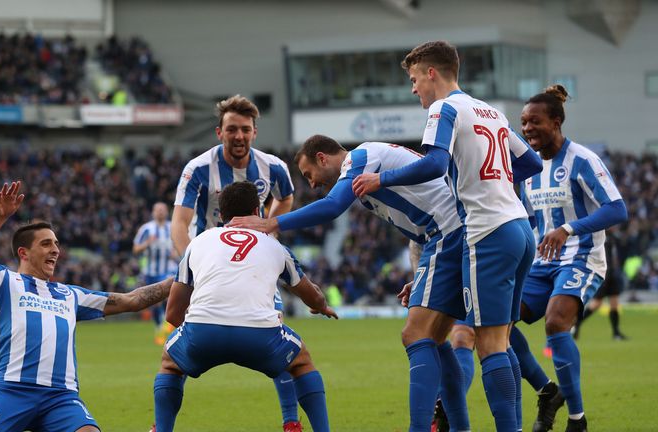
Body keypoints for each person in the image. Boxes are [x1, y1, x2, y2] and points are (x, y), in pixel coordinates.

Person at [351, 41, 543, 431]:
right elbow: (532, 162)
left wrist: (381, 178)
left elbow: (435, 163)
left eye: (414, 79)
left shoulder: (445, 108)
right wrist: (499, 186)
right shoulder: (492, 111)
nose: (414, 88)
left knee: (489, 345)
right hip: (520, 229)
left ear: (431, 73)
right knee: (501, 341)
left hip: (487, 232)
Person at [229, 135, 472, 432]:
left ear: (322, 158)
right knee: (438, 339)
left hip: (449, 234)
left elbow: (332, 207)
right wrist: (420, 276)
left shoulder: (360, 157)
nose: (312, 184)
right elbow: (420, 221)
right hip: (446, 236)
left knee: (416, 334)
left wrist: (272, 222)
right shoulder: (366, 176)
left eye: (309, 175)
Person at [0, 181, 173, 432]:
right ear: (23, 252)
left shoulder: (70, 294)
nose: (56, 250)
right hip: (11, 390)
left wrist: (184, 276)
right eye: (46, 244)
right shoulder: (5, 281)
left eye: (57, 244)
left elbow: (133, 300)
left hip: (60, 397)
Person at [153, 182, 337, 432]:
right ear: (257, 210)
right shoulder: (275, 246)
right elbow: (311, 296)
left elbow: (173, 313)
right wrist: (322, 306)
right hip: (260, 336)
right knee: (301, 361)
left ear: (221, 214)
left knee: (169, 363)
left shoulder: (198, 242)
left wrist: (194, 337)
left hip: (203, 333)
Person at [171, 94, 300, 431]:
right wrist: (193, 267)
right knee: (178, 339)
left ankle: (291, 422)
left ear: (254, 132)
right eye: (232, 130)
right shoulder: (198, 169)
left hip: (252, 265)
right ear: (219, 132)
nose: (238, 136)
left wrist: (269, 226)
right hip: (209, 266)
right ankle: (165, 420)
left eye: (245, 129)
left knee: (276, 328)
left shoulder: (274, 167)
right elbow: (179, 223)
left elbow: (286, 197)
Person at [509, 85, 628, 432]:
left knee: (556, 322)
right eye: (523, 122)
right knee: (496, 322)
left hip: (582, 256)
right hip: (540, 263)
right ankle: (548, 392)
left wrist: (569, 229)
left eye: (535, 122)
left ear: (556, 122)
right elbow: (531, 221)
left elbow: (617, 209)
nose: (527, 128)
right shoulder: (527, 170)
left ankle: (577, 420)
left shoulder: (583, 160)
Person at [133, 202, 178, 344]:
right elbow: (136, 249)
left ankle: (167, 325)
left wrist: (176, 252)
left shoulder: (172, 227)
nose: (160, 212)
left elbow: (181, 244)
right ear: (153, 212)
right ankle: (160, 327)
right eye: (158, 210)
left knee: (169, 295)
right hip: (151, 270)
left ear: (167, 212)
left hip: (169, 268)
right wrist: (147, 243)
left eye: (163, 210)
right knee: (154, 301)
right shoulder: (147, 229)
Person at [574, 226, 627, 340]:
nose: (614, 226)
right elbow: (604, 258)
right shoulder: (601, 237)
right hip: (605, 275)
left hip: (612, 274)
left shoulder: (613, 237)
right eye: (612, 225)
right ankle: (577, 323)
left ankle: (616, 332)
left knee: (614, 303)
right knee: (596, 304)